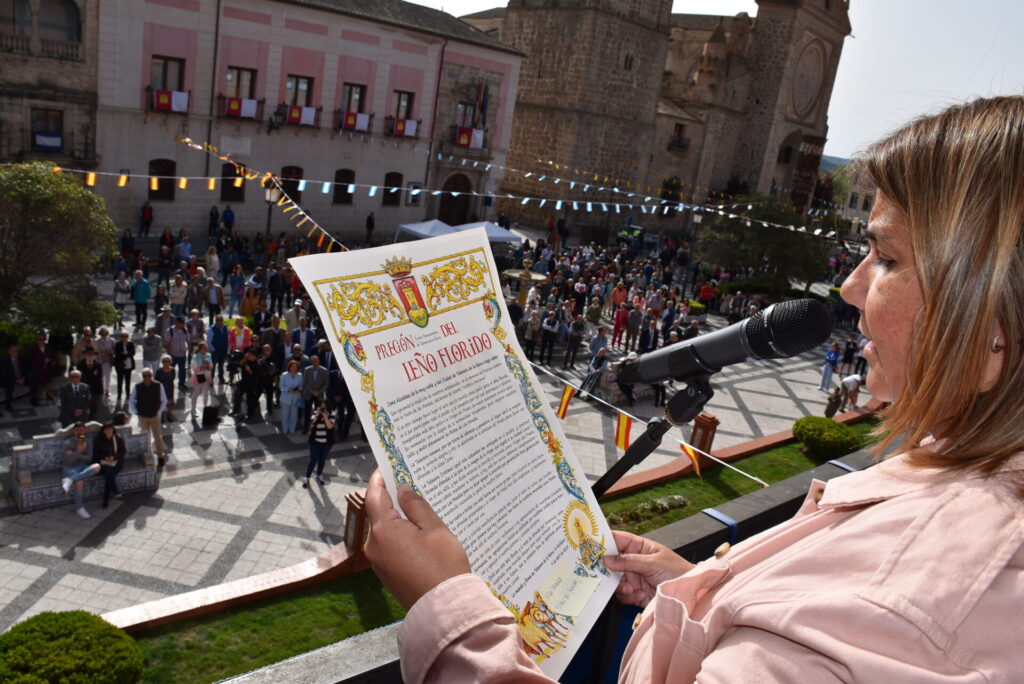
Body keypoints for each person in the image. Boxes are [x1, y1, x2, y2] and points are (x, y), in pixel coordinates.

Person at [360, 96, 1024, 681]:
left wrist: (449, 611)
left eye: (886, 257)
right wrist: (693, 590)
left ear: (993, 328)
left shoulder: (892, 601)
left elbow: (833, 627)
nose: (849, 287)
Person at [61, 422, 101, 519]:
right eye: (77, 430)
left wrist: (75, 454)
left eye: (82, 430)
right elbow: (69, 462)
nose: (79, 432)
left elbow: (89, 459)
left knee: (97, 466)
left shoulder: (88, 441)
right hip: (70, 468)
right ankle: (79, 508)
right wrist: (78, 451)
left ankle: (70, 479)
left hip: (84, 467)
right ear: (74, 431)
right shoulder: (68, 443)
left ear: (85, 430)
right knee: (79, 482)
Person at [130, 367, 167, 466]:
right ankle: (148, 454)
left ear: (152, 376)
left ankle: (160, 455)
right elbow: (131, 399)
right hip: (143, 416)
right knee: (145, 436)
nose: (147, 377)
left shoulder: (158, 385)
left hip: (155, 416)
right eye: (145, 376)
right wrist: (135, 412)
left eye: (149, 375)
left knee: (158, 436)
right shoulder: (137, 386)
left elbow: (164, 400)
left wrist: (159, 412)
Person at [302, 400, 336, 487]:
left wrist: (325, 418)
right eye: (321, 407)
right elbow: (312, 422)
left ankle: (319, 475)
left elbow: (330, 426)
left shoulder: (332, 414)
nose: (323, 409)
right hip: (315, 442)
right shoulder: (315, 413)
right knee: (313, 460)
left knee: (322, 459)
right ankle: (307, 477)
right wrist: (317, 414)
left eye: (325, 407)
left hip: (326, 443)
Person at [92, 422, 125, 508]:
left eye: (110, 429)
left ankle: (106, 498)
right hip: (104, 463)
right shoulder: (98, 440)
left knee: (109, 476)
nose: (109, 431)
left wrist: (114, 457)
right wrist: (105, 457)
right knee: (109, 473)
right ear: (103, 431)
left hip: (116, 462)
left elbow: (122, 451)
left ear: (113, 429)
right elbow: (96, 454)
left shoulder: (118, 439)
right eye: (106, 429)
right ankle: (115, 492)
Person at [301, 355, 328, 433]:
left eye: (316, 361)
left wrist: (318, 392)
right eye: (312, 361)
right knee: (307, 412)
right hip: (309, 394)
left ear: (319, 361)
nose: (314, 362)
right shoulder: (307, 370)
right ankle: (306, 428)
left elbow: (326, 384)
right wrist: (312, 391)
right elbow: (305, 383)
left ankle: (316, 428)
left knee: (318, 412)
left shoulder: (324, 370)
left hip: (319, 395)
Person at [0, 344, 29, 417]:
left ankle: (34, 398)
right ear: (9, 352)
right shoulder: (5, 360)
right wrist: (16, 381)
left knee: (32, 379)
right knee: (10, 386)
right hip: (8, 379)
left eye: (16, 352)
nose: (15, 353)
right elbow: (5, 374)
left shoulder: (20, 358)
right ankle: (8, 405)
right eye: (13, 351)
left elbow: (25, 369)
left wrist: (23, 378)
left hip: (19, 378)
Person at [76, 348, 103, 420]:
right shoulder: (80, 364)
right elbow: (82, 377)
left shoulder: (98, 364)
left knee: (94, 407)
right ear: (85, 355)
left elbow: (99, 377)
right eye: (89, 354)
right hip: (84, 389)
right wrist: (92, 374)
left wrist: (89, 375)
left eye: (92, 354)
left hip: (95, 389)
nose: (90, 356)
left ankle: (92, 420)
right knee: (83, 406)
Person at [279, 359, 303, 434]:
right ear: (289, 367)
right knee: (285, 415)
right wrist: (288, 390)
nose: (294, 368)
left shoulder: (300, 375)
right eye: (292, 367)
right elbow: (281, 386)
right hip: (285, 398)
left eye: (295, 367)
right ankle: (285, 430)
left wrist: (298, 389)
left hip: (296, 398)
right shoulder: (284, 375)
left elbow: (302, 386)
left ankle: (292, 429)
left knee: (294, 415)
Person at [189, 341, 213, 416]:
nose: (205, 350)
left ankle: (205, 408)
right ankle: (193, 410)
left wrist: (208, 366)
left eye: (206, 348)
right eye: (203, 348)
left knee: (206, 393)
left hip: (207, 376)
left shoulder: (208, 355)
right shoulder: (195, 356)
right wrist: (203, 366)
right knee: (196, 393)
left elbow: (211, 366)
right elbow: (194, 368)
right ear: (199, 349)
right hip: (198, 377)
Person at [112, 331, 135, 404]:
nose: (125, 338)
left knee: (128, 380)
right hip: (120, 365)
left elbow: (133, 352)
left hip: (129, 365)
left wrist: (127, 353)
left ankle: (128, 394)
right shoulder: (118, 344)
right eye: (123, 336)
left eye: (126, 336)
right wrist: (125, 354)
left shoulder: (130, 344)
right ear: (121, 337)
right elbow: (117, 353)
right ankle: (119, 394)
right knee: (120, 380)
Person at [154, 355, 177, 423]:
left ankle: (169, 415)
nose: (166, 363)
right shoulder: (159, 370)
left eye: (168, 361)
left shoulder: (172, 370)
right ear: (162, 362)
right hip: (161, 389)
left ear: (170, 362)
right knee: (161, 403)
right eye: (164, 361)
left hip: (170, 388)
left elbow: (173, 378)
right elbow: (156, 380)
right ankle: (161, 416)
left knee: (169, 403)